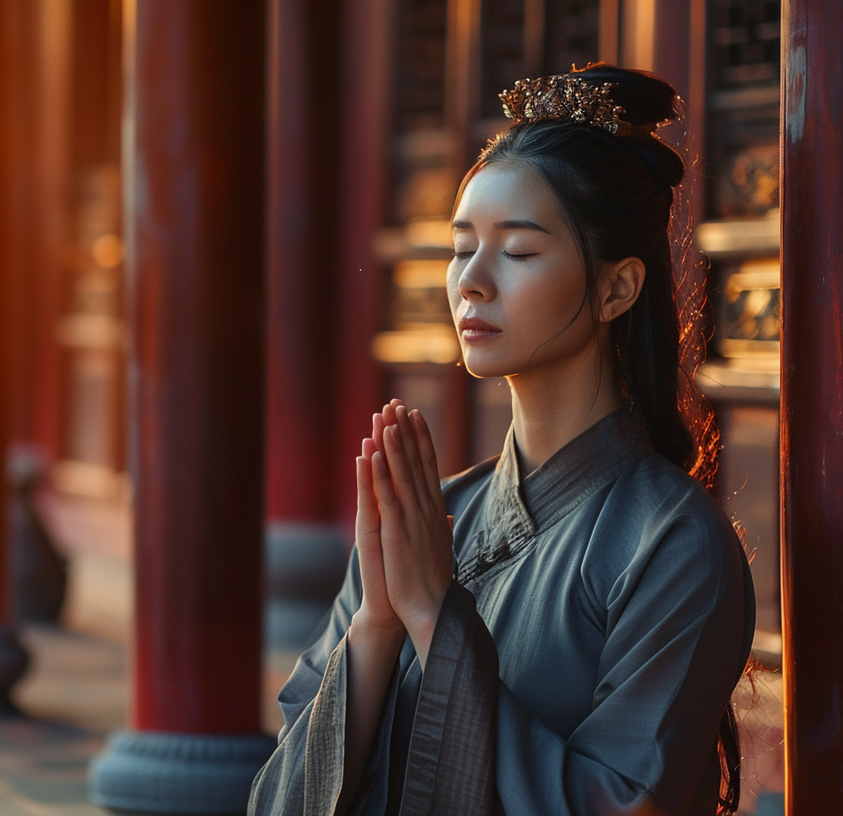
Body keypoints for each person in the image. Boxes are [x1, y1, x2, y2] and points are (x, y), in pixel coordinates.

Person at [248, 63, 755, 816]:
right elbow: (281, 800)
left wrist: (434, 619)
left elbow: (620, 805)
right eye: (461, 249)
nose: (472, 283)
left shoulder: (673, 544)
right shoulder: (428, 517)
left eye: (516, 251)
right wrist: (379, 624)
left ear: (617, 287)